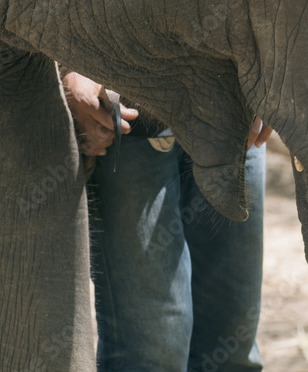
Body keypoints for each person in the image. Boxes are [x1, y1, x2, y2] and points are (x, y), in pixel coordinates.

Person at [63, 71, 269, 372]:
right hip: (124, 111)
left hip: (233, 105)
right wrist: (68, 69)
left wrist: (273, 77)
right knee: (151, 352)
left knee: (232, 347)